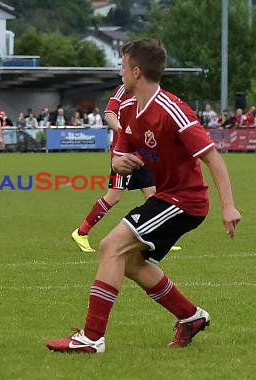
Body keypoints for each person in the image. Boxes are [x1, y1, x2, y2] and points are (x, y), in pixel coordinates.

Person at [47, 39, 241, 353]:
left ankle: (92, 337)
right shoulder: (128, 108)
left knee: (111, 246)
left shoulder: (171, 109)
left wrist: (229, 206)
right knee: (133, 262)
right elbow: (120, 155)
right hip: (166, 197)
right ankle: (190, 316)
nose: (120, 71)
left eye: (123, 66)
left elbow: (213, 157)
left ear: (136, 72)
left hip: (185, 200)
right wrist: (118, 162)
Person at [71, 84, 181, 253]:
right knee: (114, 196)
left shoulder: (149, 90)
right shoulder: (124, 89)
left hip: (143, 155)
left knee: (153, 195)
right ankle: (81, 232)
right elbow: (109, 114)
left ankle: (158, 237)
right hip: (123, 156)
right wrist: (125, 133)